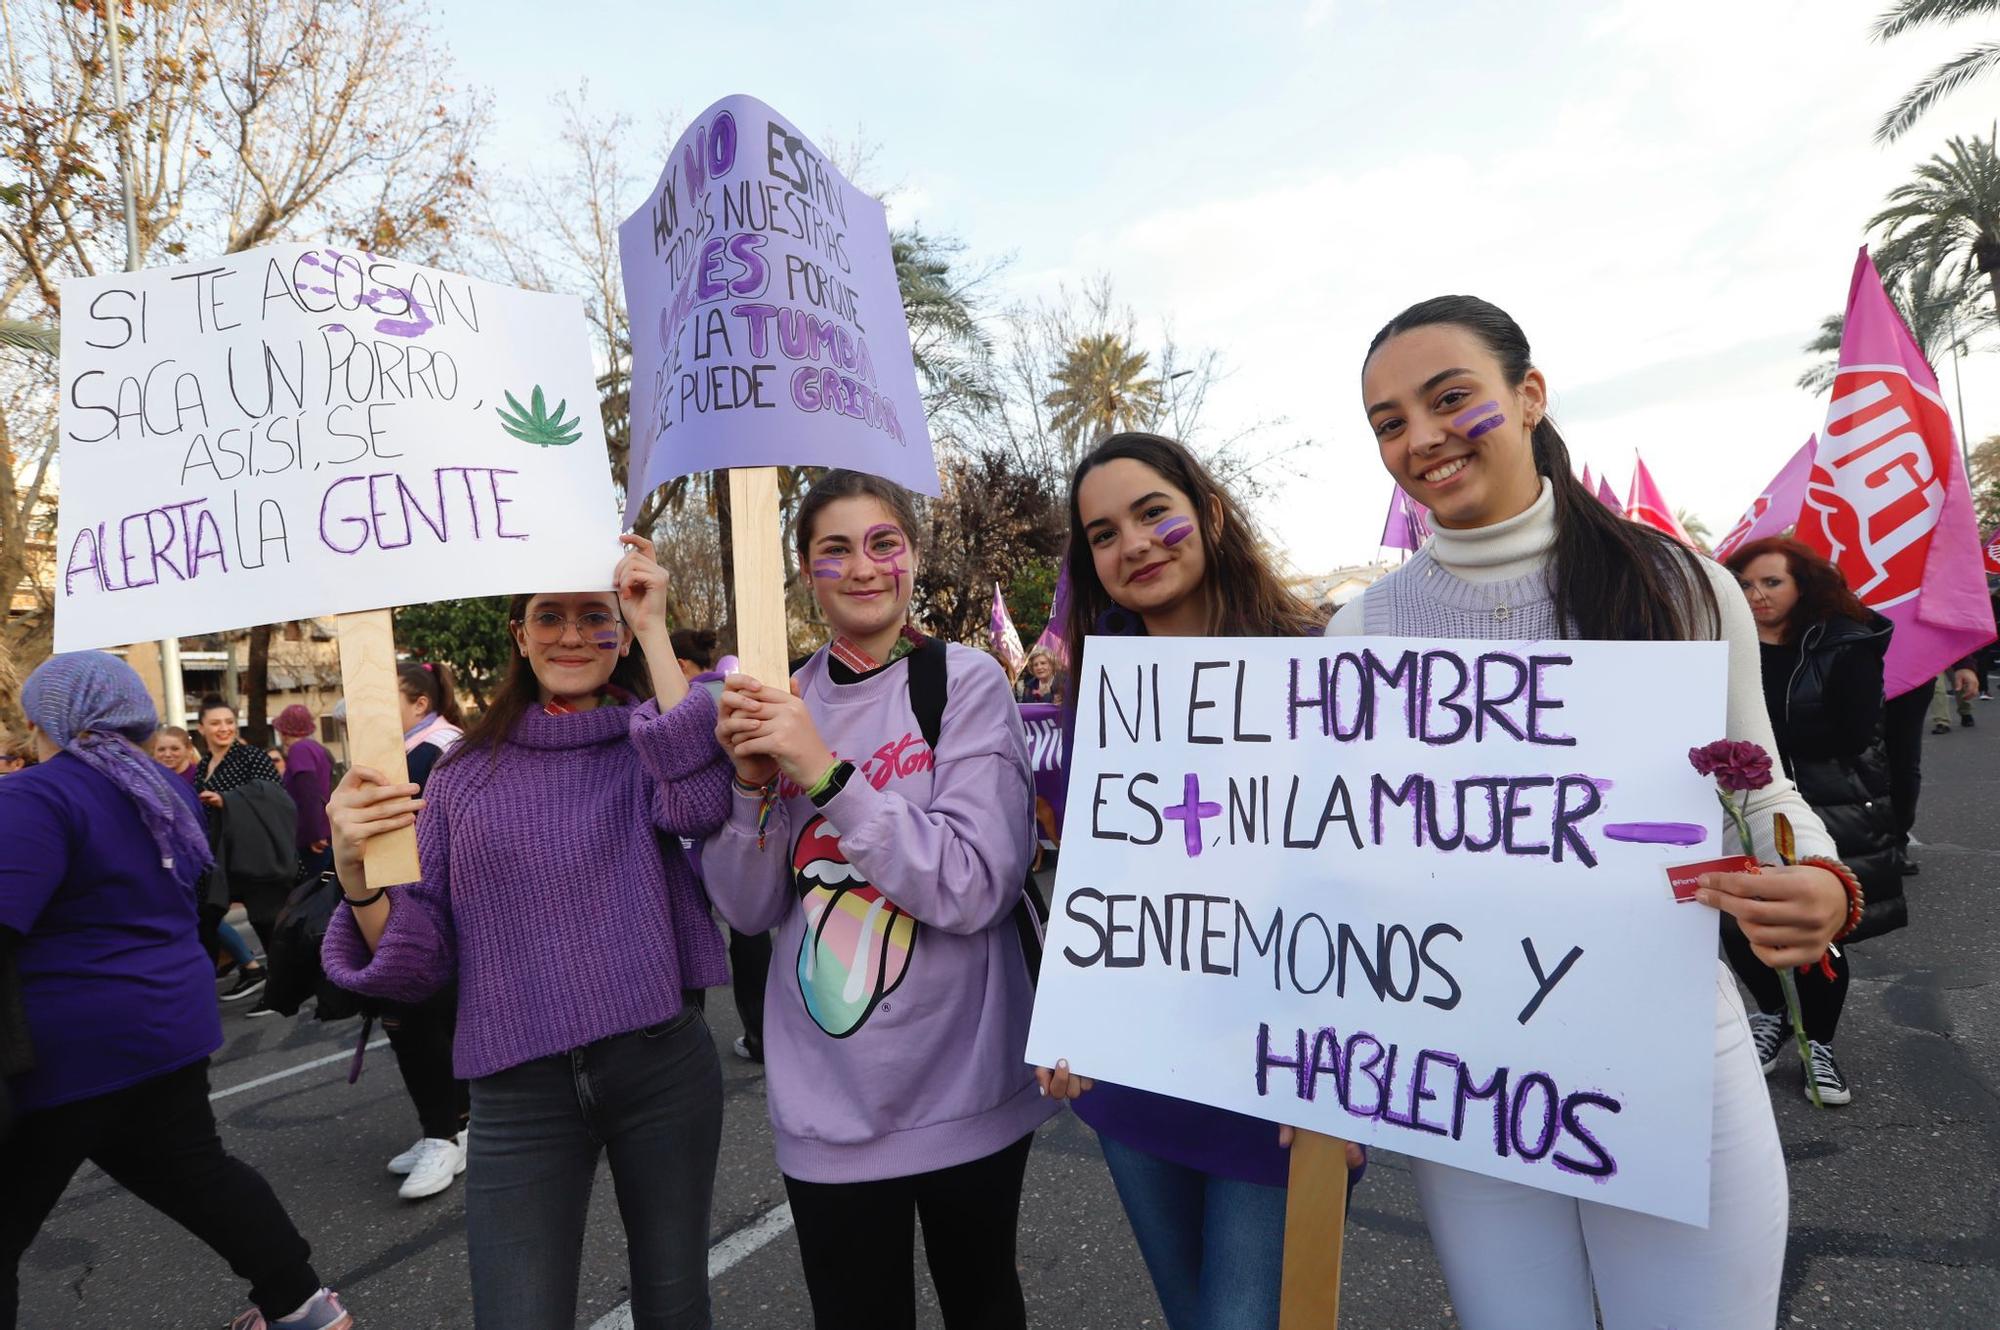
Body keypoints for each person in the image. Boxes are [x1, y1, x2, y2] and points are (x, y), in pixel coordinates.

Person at [1339, 295, 1855, 1329]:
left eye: (1449, 399)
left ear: (1527, 397)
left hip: (1669, 1044)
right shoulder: (1360, 631)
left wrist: (1820, 884)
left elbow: (1756, 784)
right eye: (1388, 421)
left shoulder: (1676, 585)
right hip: (1467, 1073)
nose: (1420, 438)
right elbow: (1345, 854)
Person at [322, 536, 730, 1330]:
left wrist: (654, 627)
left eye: (595, 618)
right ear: (518, 634)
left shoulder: (651, 743)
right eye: (549, 616)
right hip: (517, 1091)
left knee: (675, 1304)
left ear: (622, 628)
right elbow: (419, 962)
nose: (572, 636)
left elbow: (702, 803)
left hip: (661, 1067)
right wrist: (357, 875)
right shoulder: (464, 776)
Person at [705, 469, 1054, 1330]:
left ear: (912, 556)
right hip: (828, 1106)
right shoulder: (777, 701)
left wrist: (824, 774)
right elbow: (748, 911)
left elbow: (975, 884)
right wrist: (752, 787)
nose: (863, 567)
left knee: (982, 1302)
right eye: (835, 549)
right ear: (803, 571)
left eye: (883, 543)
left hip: (964, 1087)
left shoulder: (965, 684)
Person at [1035, 433, 1363, 1330]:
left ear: (1209, 513)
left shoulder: (1329, 665)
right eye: (1103, 534)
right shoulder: (1101, 688)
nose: (1133, 545)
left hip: (1291, 1074)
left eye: (1151, 513)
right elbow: (1098, 880)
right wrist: (1070, 1016)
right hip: (1136, 1072)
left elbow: (1379, 884)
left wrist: (1355, 1064)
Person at [0, 653, 352, 1330]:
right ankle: (303, 1305)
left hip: (63, 1047)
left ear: (47, 718)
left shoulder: (36, 797)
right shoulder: (167, 791)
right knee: (198, 1174)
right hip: (167, 1023)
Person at [1727, 536, 1904, 1106]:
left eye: (1771, 582)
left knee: (1817, 939)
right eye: (1745, 585)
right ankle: (1773, 1016)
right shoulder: (1723, 643)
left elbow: (1855, 734)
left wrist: (1753, 744)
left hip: (1826, 808)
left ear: (1802, 584)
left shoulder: (1845, 643)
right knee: (1738, 922)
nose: (1756, 596)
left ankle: (1819, 1044)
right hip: (1736, 805)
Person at [367, 661, 472, 1202]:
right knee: (425, 1022)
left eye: (387, 698)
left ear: (420, 705)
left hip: (426, 907)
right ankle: (452, 1127)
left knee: (418, 1021)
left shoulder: (433, 752)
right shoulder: (421, 748)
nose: (372, 712)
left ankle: (446, 1134)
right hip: (418, 904)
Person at [672, 627, 770, 1065]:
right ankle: (760, 1034)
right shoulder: (736, 688)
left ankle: (685, 1045)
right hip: (748, 829)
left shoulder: (677, 704)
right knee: (752, 934)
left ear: (677, 665)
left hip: (688, 842)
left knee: (687, 934)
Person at [195, 698, 292, 1011]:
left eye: (228, 722)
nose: (223, 728)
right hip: (219, 857)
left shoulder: (251, 756)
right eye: (215, 723)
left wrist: (228, 800)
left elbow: (277, 798)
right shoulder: (202, 765)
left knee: (266, 922)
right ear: (201, 728)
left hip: (256, 854)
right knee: (204, 915)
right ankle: (199, 992)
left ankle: (278, 990)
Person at [273, 705, 334, 880]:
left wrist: (314, 835)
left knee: (316, 894)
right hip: (323, 831)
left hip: (313, 839)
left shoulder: (299, 750)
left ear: (284, 731)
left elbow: (309, 793)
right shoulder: (316, 748)